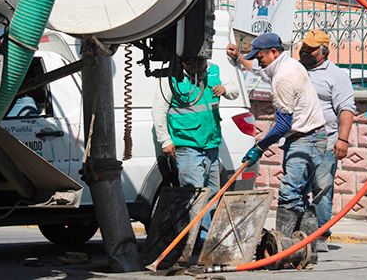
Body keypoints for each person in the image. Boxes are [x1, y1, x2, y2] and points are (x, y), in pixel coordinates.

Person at [233, 32, 326, 264]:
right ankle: (307, 251)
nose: (258, 60)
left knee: (288, 193)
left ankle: (283, 250)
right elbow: (260, 70)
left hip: (306, 139)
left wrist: (260, 146)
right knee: (300, 196)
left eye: (261, 55)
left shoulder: (283, 77)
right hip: (310, 136)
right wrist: (240, 60)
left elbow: (283, 124)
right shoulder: (288, 65)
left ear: (274, 52)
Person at [151, 56, 239, 239]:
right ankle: (197, 240)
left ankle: (205, 237)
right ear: (184, 62)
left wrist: (225, 90)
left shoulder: (213, 70)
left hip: (211, 144)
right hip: (188, 145)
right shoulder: (172, 78)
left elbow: (234, 91)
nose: (200, 69)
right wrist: (165, 140)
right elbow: (159, 109)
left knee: (212, 192)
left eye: (202, 64)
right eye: (194, 64)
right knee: (194, 195)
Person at [295, 28, 356, 253]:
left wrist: (343, 139)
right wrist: (241, 59)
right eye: (303, 47)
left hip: (327, 141)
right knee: (295, 187)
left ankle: (320, 233)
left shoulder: (337, 76)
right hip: (299, 139)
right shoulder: (296, 70)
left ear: (323, 51)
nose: (304, 52)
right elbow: (266, 70)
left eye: (310, 49)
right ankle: (298, 233)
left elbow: (346, 109)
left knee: (321, 187)